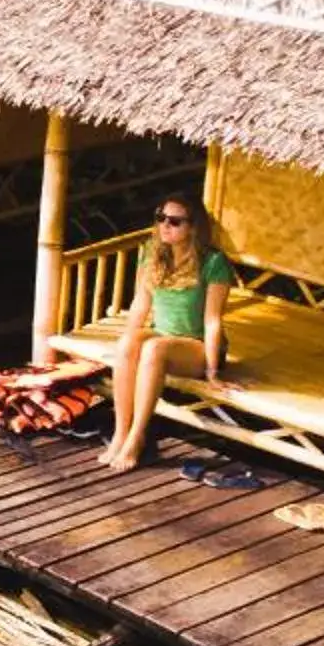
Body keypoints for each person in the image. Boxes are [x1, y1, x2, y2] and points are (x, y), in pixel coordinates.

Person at [100, 192, 232, 470]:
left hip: (196, 345)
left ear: (193, 227)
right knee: (130, 345)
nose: (165, 226)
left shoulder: (213, 262)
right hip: (161, 334)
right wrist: (128, 342)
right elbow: (140, 303)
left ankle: (137, 437)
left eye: (175, 221)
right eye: (161, 218)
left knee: (154, 348)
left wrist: (212, 372)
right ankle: (120, 432)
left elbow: (212, 320)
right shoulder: (152, 252)